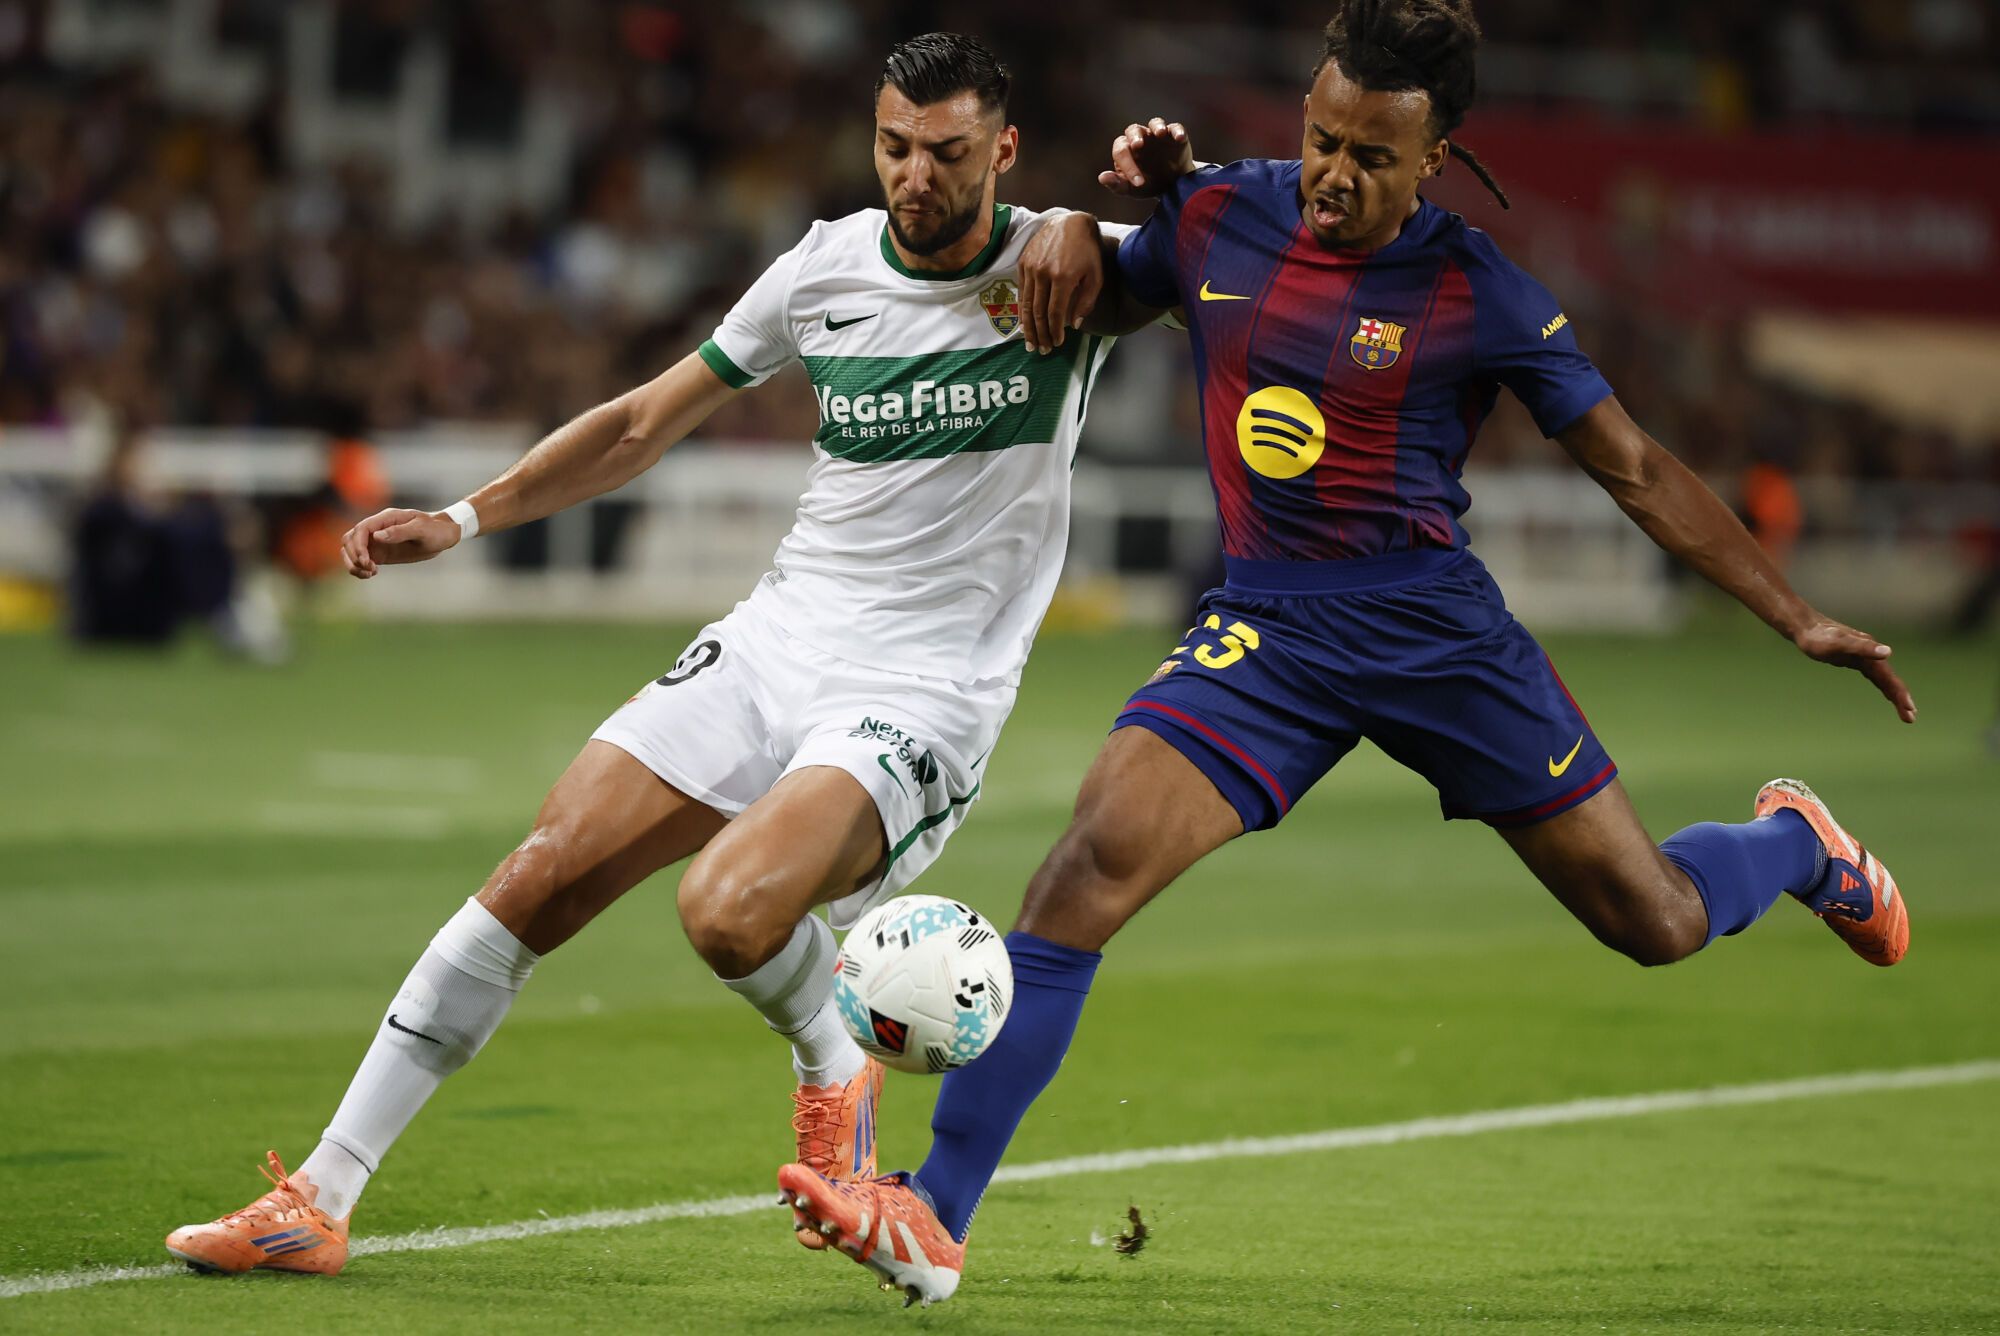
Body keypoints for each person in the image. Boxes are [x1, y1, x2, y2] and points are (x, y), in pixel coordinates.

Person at [778, 0, 1916, 1307]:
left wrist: (1796, 615)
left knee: (1652, 923)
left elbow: (1640, 469)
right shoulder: (1222, 216)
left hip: (1436, 632)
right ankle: (934, 1213)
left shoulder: (1480, 289)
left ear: (1435, 158)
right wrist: (1074, 228)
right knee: (1084, 872)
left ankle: (1798, 845)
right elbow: (1092, 275)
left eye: (1375, 157)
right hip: (1268, 629)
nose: (1336, 175)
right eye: (1324, 140)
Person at [162, 32, 1132, 1278]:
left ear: (999, 149)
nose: (915, 176)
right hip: (776, 636)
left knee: (727, 912)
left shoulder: (1066, 269)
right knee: (536, 874)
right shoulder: (821, 270)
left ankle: (832, 1062)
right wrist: (461, 518)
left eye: (947, 154)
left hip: (920, 687)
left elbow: (1227, 242)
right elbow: (637, 423)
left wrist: (1100, 230)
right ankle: (319, 1196)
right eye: (894, 146)